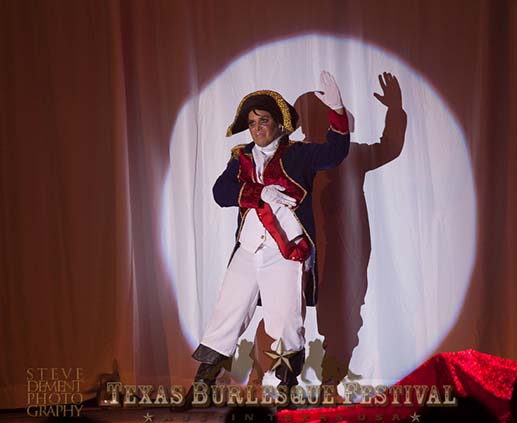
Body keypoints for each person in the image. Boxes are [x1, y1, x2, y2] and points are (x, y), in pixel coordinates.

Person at [191, 71, 350, 390]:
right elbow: (220, 192)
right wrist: (258, 192)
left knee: (286, 319)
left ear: (279, 123)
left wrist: (337, 111)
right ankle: (204, 381)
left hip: (286, 250)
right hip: (248, 249)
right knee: (228, 311)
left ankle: (286, 384)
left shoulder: (300, 154)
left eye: (263, 120)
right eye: (251, 123)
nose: (257, 128)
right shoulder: (241, 158)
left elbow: (336, 152)